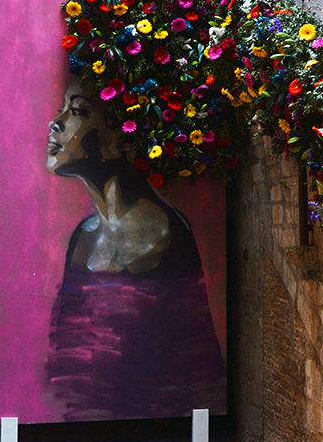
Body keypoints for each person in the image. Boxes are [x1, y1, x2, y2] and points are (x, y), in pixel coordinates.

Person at [44, 80, 226, 421]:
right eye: (62, 110)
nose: (56, 123)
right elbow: (65, 357)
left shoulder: (166, 233)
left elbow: (198, 364)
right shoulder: (83, 238)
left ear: (124, 140)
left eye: (78, 111)